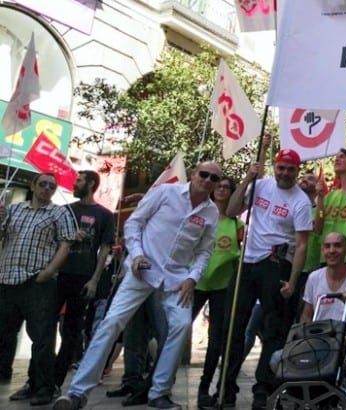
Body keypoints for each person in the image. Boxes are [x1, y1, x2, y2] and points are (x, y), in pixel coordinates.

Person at [53, 161, 221, 410]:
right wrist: (138, 253)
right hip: (142, 271)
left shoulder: (211, 212)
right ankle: (78, 393)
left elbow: (205, 251)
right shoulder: (166, 193)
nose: (207, 180)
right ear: (194, 174)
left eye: (214, 178)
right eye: (204, 174)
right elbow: (134, 223)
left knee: (182, 325)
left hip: (176, 279)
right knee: (111, 323)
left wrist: (192, 277)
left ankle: (159, 393)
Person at [225, 149, 313, 409]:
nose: (285, 173)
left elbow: (302, 244)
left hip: (275, 265)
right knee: (234, 327)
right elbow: (231, 209)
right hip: (247, 263)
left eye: (290, 169)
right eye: (281, 167)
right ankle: (226, 386)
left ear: (297, 171)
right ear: (274, 167)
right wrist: (247, 178)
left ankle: (263, 386)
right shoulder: (260, 185)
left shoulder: (301, 201)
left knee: (274, 329)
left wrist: (294, 280)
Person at [271, 232, 346, 404]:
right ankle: (303, 394)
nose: (332, 250)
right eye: (327, 246)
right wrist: (299, 343)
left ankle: (344, 394)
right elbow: (307, 313)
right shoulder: (314, 277)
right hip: (318, 343)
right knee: (277, 359)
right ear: (322, 251)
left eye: (337, 246)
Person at [0, 173, 77, 406]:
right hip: (7, 279)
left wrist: (49, 271)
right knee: (4, 333)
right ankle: (12, 377)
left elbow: (66, 243)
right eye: (42, 184)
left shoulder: (59, 212)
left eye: (51, 186)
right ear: (33, 185)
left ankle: (44, 387)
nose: (46, 189)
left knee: (42, 338)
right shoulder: (13, 210)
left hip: (38, 282)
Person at [53, 171, 116, 390]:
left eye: (79, 180)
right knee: (45, 329)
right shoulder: (64, 210)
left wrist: (95, 280)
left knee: (71, 330)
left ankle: (56, 382)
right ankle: (36, 380)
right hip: (57, 275)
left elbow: (105, 250)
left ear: (90, 184)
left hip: (83, 278)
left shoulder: (105, 216)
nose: (75, 183)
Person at [191, 176, 243, 409]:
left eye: (226, 187)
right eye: (218, 186)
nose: (221, 190)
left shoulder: (237, 225)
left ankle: (205, 387)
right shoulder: (200, 217)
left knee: (216, 341)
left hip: (223, 288)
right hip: (194, 285)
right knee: (176, 331)